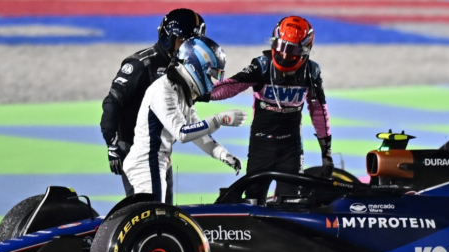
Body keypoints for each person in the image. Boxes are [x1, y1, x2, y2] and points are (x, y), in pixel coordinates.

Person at [200, 15, 333, 202]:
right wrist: (200, 94)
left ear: (306, 50)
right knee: (254, 201)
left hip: (291, 148)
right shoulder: (262, 65)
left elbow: (319, 111)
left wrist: (326, 153)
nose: (285, 55)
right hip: (261, 145)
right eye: (281, 48)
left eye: (292, 50)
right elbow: (232, 86)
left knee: (290, 203)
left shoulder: (312, 72)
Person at [123, 37, 247, 203]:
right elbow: (182, 132)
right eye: (211, 74)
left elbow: (196, 130)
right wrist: (219, 119)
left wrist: (222, 154)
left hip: (158, 163)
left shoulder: (181, 90)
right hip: (147, 164)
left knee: (161, 221)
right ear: (196, 67)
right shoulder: (163, 90)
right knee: (152, 222)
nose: (212, 82)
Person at [100, 8, 207, 197]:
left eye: (193, 43)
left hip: (161, 151)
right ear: (168, 37)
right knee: (145, 211)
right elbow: (112, 102)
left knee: (165, 212)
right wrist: (111, 142)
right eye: (183, 41)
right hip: (135, 149)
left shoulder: (184, 68)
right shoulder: (140, 64)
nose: (187, 48)